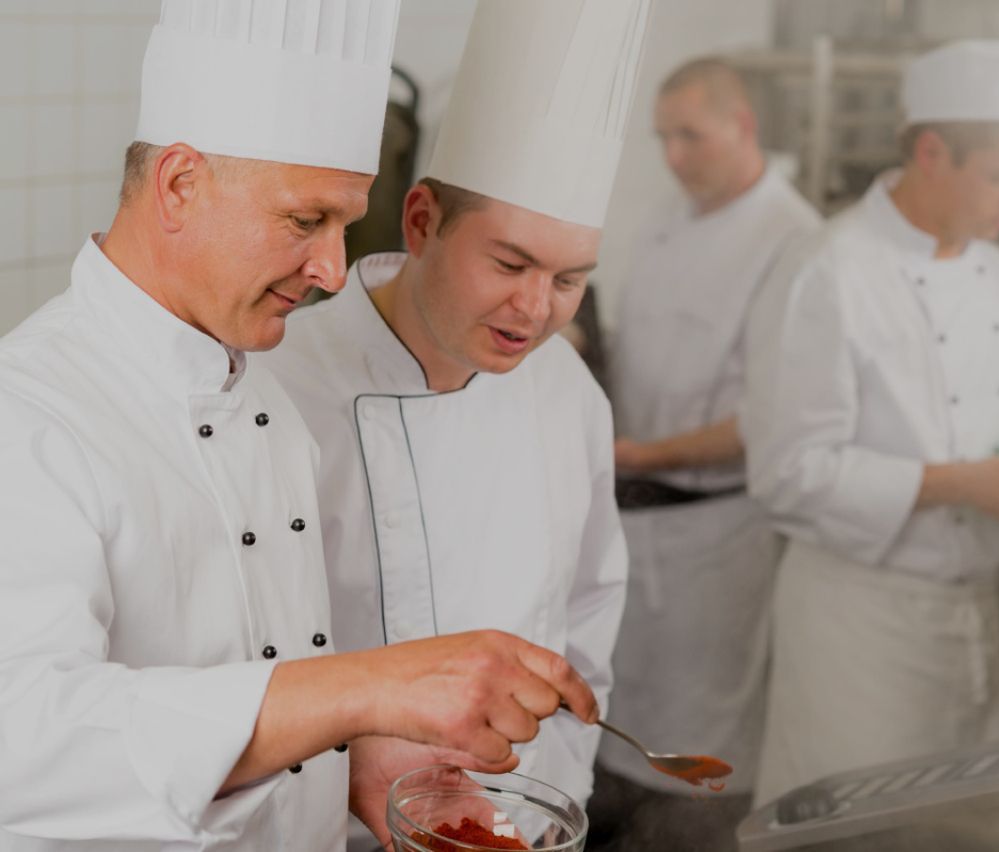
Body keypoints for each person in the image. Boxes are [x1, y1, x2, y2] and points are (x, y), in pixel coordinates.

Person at [0, 3, 600, 849]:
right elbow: (21, 745)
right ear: (179, 184)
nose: (330, 269)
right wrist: (363, 688)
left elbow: (242, 688)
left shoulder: (262, 398)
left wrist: (347, 759)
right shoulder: (28, 415)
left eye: (346, 226)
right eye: (304, 220)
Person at [257, 2, 652, 848]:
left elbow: (586, 623)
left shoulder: (566, 392)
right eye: (510, 264)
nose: (534, 310)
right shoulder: (276, 385)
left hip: (513, 823)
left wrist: (550, 811)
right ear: (422, 220)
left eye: (569, 279)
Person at [742, 39, 999, 805]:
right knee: (852, 826)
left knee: (958, 829)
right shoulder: (827, 270)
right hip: (861, 625)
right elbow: (785, 474)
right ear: (932, 151)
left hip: (976, 617)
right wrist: (963, 483)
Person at [589, 57, 821, 850]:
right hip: (638, 515)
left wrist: (636, 451)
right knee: (624, 715)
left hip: (717, 535)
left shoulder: (791, 240)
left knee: (705, 744)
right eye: (663, 137)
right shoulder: (669, 215)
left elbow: (768, 418)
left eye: (691, 135)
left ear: (744, 125)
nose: (674, 155)